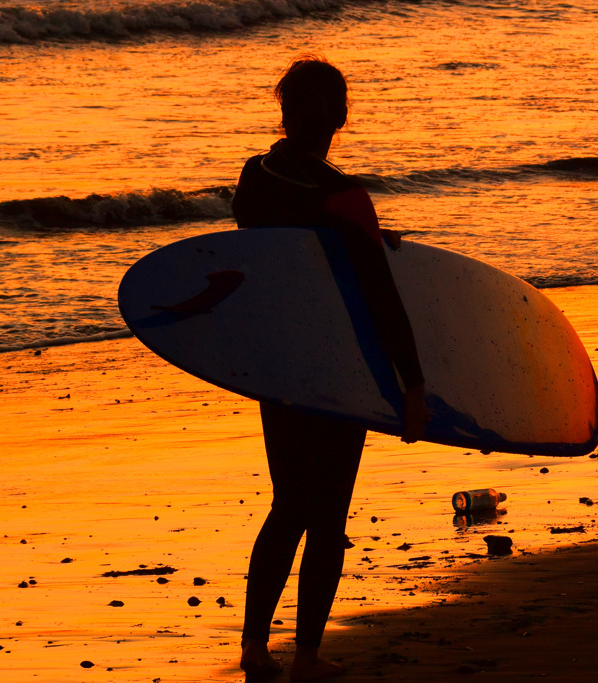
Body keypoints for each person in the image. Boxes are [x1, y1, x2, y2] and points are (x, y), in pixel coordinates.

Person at [231, 57, 429, 682]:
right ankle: (308, 658)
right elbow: (380, 298)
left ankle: (256, 649)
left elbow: (286, 246)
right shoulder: (345, 197)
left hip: (280, 364)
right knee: (328, 517)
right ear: (341, 116)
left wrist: (363, 234)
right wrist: (414, 385)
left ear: (284, 111)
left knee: (288, 504)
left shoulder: (254, 177)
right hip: (342, 365)